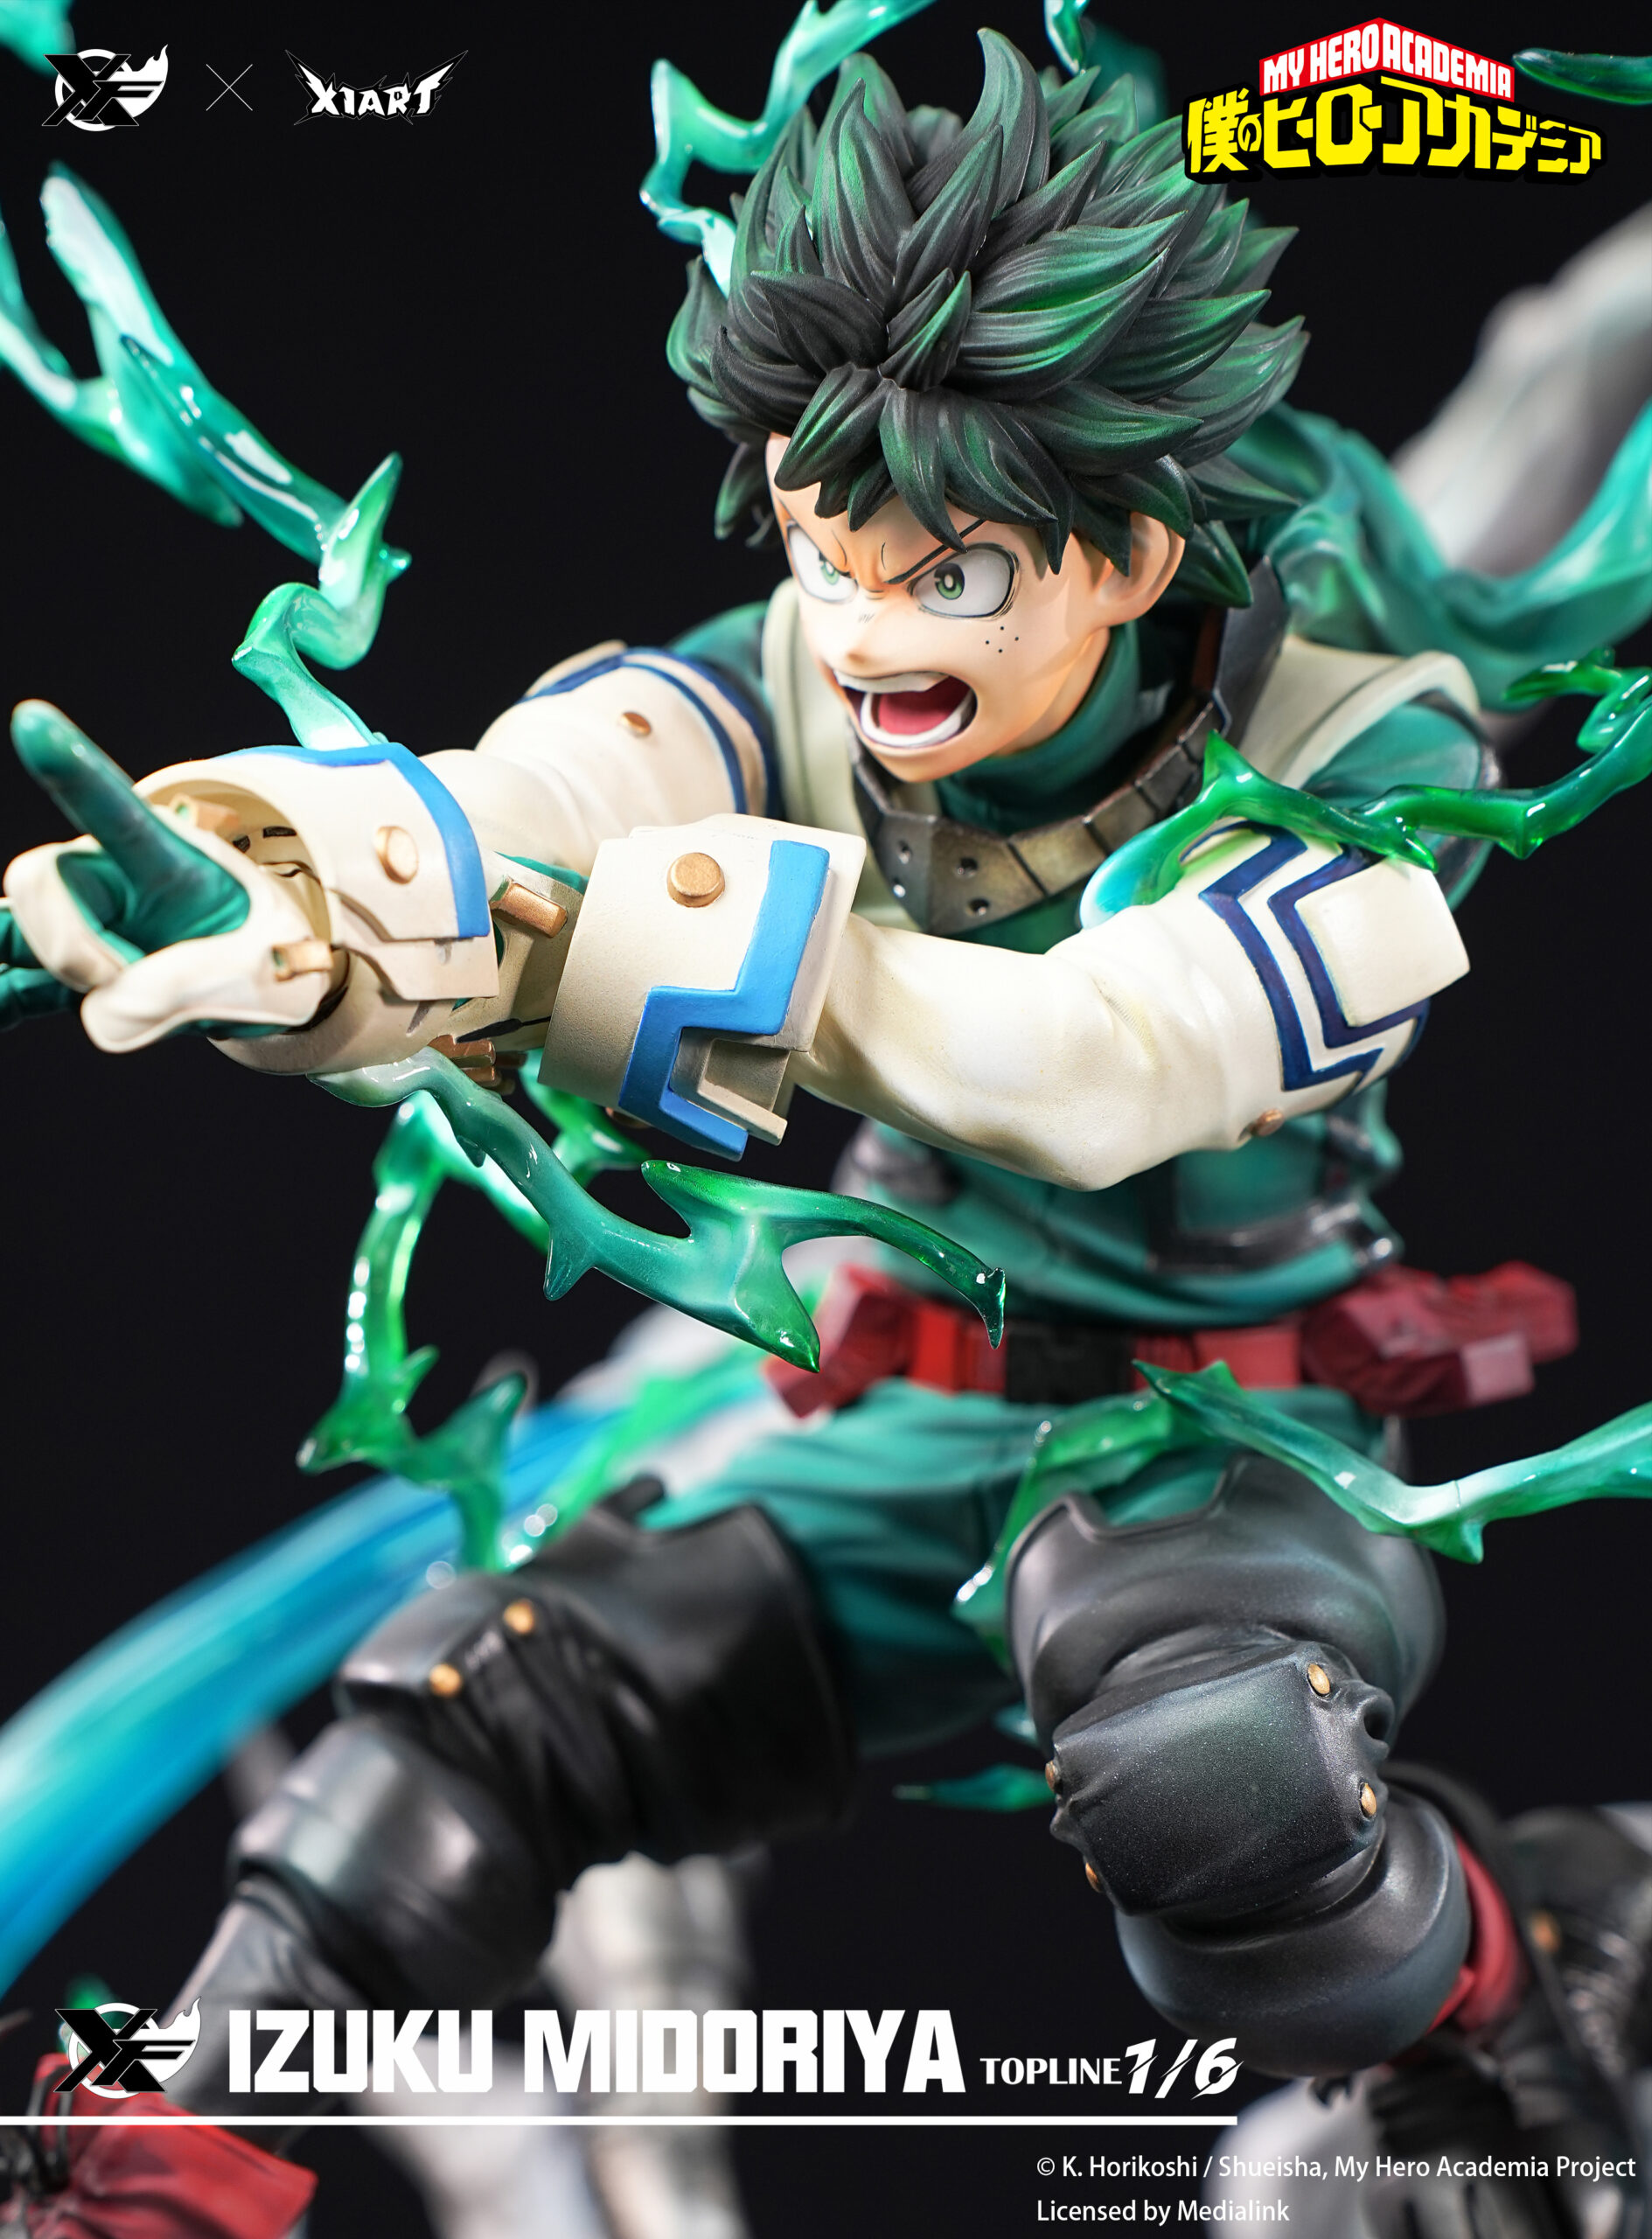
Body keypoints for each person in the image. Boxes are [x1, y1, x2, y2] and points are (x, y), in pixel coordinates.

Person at [3, 23, 1650, 2236]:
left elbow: (1093, 1066)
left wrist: (604, 948)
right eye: (818, 544)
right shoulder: (791, 674)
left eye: (945, 575)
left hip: (1220, 1446)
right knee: (434, 1747)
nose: (866, 633)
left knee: (1224, 1796)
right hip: (882, 1426)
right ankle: (106, 2187)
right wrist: (302, 888)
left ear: (1131, 549)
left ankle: (1527, 1975)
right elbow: (552, 787)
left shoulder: (1360, 752)